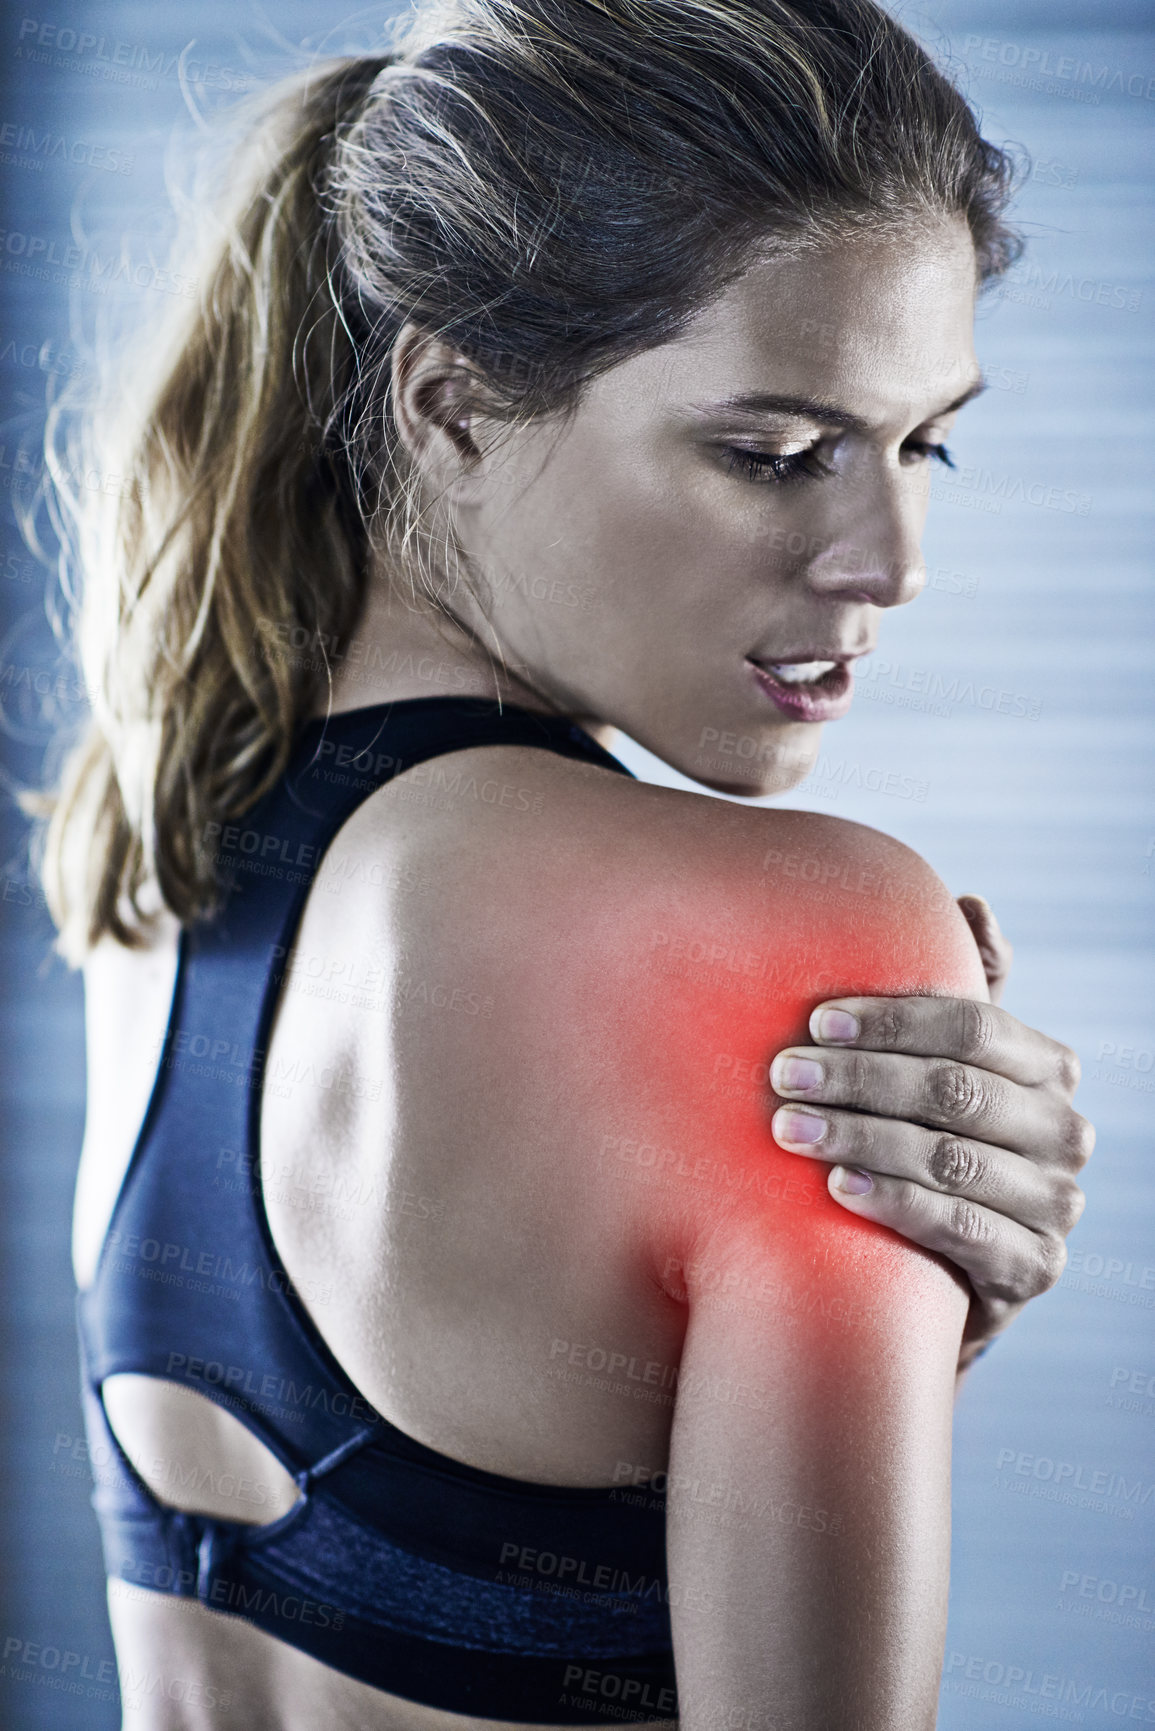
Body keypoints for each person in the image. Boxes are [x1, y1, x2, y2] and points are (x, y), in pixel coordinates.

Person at [29, 0, 1092, 1725]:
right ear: (450, 406)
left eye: (923, 442)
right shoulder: (810, 939)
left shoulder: (162, 862)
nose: (893, 562)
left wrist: (892, 1329)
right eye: (775, 454)